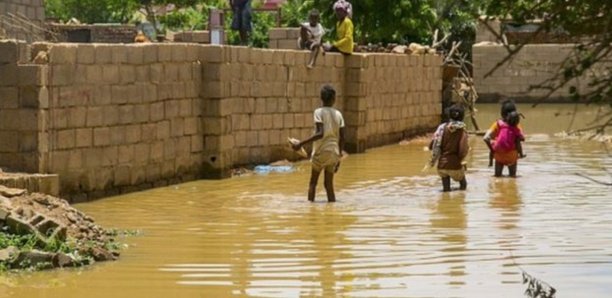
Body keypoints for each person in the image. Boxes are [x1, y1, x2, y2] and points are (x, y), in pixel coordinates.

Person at [292, 84, 345, 202]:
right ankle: (332, 211)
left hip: (321, 152)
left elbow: (320, 133)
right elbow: (342, 138)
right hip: (333, 153)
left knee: (313, 183)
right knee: (329, 185)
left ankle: (311, 211)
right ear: (334, 99)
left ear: (321, 98)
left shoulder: (318, 112)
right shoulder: (338, 114)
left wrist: (301, 144)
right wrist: (339, 157)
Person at [429, 104, 469, 192]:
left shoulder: (442, 127)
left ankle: (445, 201)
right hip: (455, 164)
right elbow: (463, 149)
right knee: (463, 186)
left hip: (441, 165)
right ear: (462, 116)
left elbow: (433, 144)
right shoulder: (462, 130)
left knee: (446, 190)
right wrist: (461, 159)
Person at [483, 100, 526, 177]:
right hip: (512, 156)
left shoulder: (498, 124)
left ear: (502, 113)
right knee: (513, 178)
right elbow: (521, 138)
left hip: (499, 155)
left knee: (497, 177)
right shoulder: (516, 125)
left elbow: (486, 138)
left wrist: (492, 150)